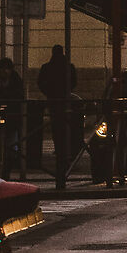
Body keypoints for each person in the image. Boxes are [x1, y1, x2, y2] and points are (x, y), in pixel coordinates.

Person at [36, 43, 79, 195]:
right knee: (67, 127)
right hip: (64, 101)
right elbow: (74, 82)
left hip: (53, 101)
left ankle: (60, 151)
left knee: (56, 127)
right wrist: (66, 92)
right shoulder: (68, 67)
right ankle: (65, 154)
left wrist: (49, 93)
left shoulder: (47, 67)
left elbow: (40, 82)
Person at [0, 55, 26, 175]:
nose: (5, 71)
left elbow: (18, 97)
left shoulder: (15, 82)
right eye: (2, 69)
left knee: (11, 147)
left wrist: (0, 92)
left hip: (12, 119)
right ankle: (0, 170)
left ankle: (6, 170)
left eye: (7, 69)